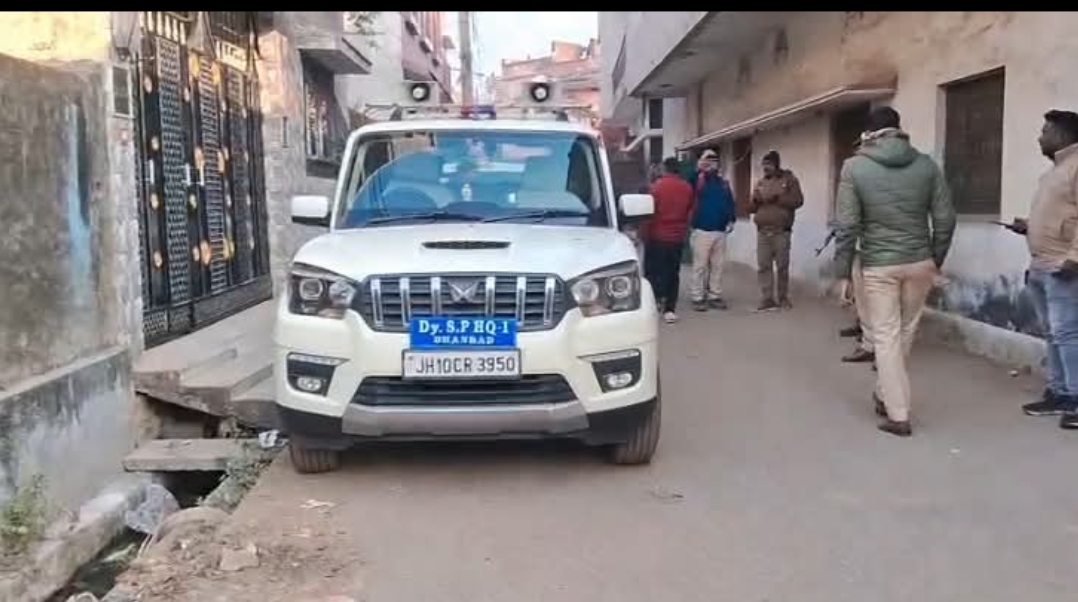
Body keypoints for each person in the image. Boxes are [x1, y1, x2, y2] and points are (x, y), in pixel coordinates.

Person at [833, 106, 956, 437]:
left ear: (867, 134)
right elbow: (945, 219)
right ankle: (884, 392)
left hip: (878, 263)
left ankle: (898, 414)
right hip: (920, 261)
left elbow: (847, 224)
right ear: (899, 130)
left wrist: (842, 272)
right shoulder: (927, 165)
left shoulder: (854, 167)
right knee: (905, 331)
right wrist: (934, 259)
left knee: (885, 335)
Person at [1015, 110, 1078, 429]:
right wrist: (1029, 226)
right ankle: (1059, 392)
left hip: (1062, 266)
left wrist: (1074, 258)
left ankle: (1075, 398)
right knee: (1053, 333)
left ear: (1063, 136)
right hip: (1042, 263)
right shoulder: (1056, 170)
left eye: (1045, 132)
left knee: (1067, 333)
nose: (1040, 138)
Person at [642, 157, 696, 324]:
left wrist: (643, 234)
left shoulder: (656, 187)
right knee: (673, 273)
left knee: (654, 271)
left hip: (656, 236)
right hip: (677, 237)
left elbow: (648, 213)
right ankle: (670, 309)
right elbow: (691, 212)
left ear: (664, 169)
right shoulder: (687, 188)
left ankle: (655, 302)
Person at [750, 150, 803, 311]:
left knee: (782, 266)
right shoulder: (760, 183)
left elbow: (798, 201)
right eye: (764, 165)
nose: (765, 168)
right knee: (764, 266)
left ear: (776, 165)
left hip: (781, 232)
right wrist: (755, 202)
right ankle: (767, 298)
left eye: (769, 164)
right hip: (762, 232)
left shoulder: (789, 180)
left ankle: (783, 297)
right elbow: (751, 208)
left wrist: (779, 199)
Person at [689, 149, 738, 312]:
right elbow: (690, 183)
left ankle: (714, 296)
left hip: (720, 231)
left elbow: (730, 203)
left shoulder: (723, 183)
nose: (711, 162)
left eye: (714, 160)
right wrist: (700, 167)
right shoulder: (698, 179)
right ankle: (697, 297)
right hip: (702, 230)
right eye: (708, 159)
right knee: (700, 266)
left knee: (718, 266)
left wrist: (732, 219)